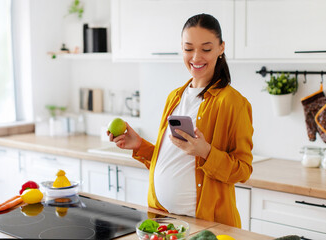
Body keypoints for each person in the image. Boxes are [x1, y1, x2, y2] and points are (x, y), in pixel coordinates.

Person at [108, 13, 253, 228]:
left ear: (221, 48)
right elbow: (173, 161)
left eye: (206, 49)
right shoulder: (175, 97)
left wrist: (205, 152)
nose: (196, 57)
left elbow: (243, 170)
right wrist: (139, 145)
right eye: (188, 48)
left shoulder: (233, 103)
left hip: (206, 227)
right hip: (164, 222)